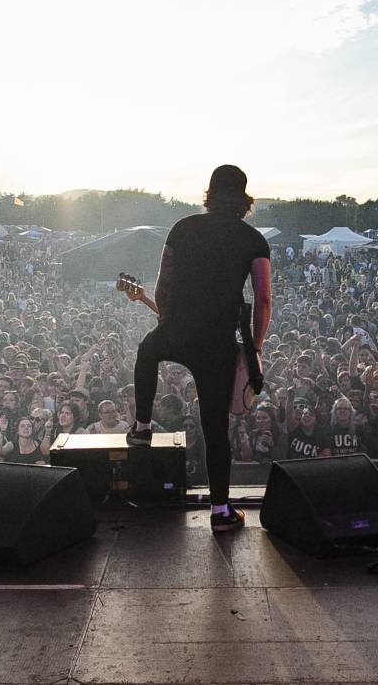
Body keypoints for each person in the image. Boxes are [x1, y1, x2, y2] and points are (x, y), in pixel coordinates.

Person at [128, 164, 271, 533]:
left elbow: (164, 284)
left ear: (209, 193)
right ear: (244, 199)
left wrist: (168, 326)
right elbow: (264, 299)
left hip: (179, 329)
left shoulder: (182, 227)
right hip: (217, 342)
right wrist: (253, 350)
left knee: (147, 351)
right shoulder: (254, 240)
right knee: (215, 428)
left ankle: (142, 427)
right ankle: (220, 511)